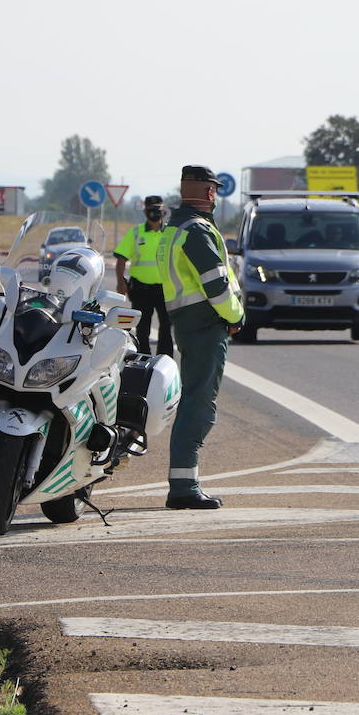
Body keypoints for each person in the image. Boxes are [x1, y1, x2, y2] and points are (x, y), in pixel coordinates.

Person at [158, 164, 244, 510]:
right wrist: (236, 316)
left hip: (186, 322)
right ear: (211, 192)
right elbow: (216, 285)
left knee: (194, 399)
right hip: (205, 325)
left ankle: (183, 483)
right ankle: (183, 487)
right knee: (199, 405)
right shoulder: (196, 231)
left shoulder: (173, 228)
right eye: (214, 190)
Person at [112, 195, 173, 357]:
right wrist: (120, 282)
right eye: (151, 210)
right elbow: (121, 259)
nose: (154, 213)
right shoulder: (136, 233)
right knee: (142, 327)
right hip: (141, 288)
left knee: (167, 326)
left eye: (158, 210)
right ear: (145, 211)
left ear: (164, 211)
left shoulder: (170, 233)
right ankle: (142, 358)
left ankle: (164, 358)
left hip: (166, 288)